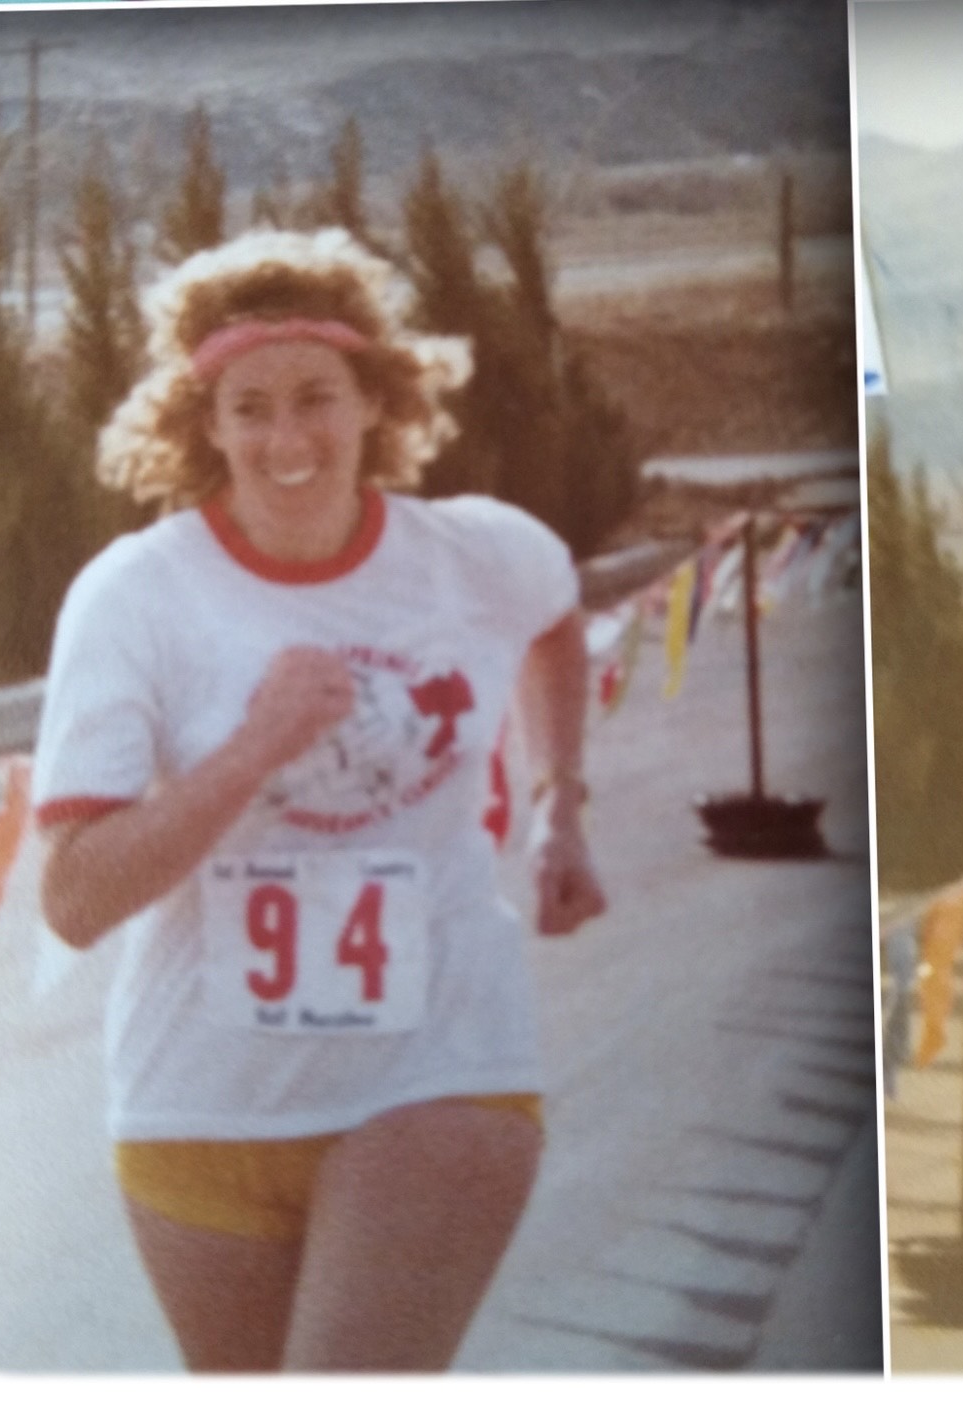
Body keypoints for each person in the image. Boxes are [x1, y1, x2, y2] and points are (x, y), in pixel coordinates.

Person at [33, 227, 607, 1372]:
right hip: (197, 1100)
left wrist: (560, 807)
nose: (287, 438)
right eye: (250, 406)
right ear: (205, 423)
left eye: (317, 397)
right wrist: (251, 750)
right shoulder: (135, 597)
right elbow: (76, 901)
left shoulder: (477, 554)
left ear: (377, 402)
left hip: (439, 1067)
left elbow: (555, 622)